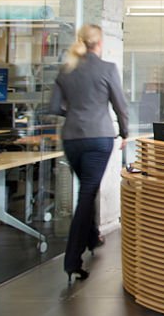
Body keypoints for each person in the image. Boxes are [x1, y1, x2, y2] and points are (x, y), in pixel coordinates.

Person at [49, 24, 128, 284]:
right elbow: (120, 104)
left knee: (87, 188)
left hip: (72, 138)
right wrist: (125, 132)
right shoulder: (107, 69)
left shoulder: (66, 70)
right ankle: (72, 260)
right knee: (86, 194)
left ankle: (92, 237)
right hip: (98, 138)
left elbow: (54, 107)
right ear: (99, 44)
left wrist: (75, 112)